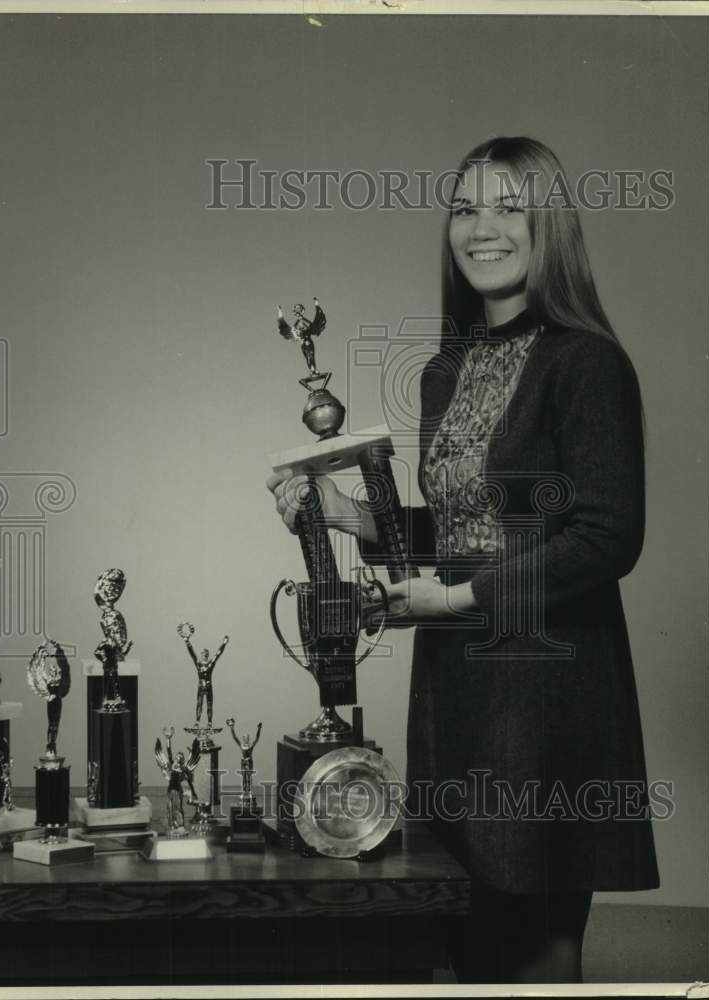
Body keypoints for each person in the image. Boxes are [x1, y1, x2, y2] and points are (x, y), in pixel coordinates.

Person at [266, 136, 659, 984]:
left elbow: (604, 536)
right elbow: (467, 523)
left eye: (510, 208)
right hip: (455, 691)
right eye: (466, 208)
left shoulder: (587, 362)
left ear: (548, 226)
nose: (484, 229)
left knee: (535, 949)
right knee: (461, 936)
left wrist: (449, 603)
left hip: (545, 696)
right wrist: (344, 515)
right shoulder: (447, 370)